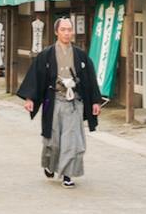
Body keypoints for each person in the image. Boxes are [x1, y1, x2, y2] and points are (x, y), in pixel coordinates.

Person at [17, 16, 101, 187]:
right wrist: (29, 98)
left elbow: (90, 80)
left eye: (69, 29)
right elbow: (36, 77)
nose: (67, 33)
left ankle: (67, 174)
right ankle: (50, 165)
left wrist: (95, 101)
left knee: (72, 140)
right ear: (56, 32)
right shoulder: (46, 55)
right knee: (53, 141)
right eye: (63, 30)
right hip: (53, 101)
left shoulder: (81, 56)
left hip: (74, 103)